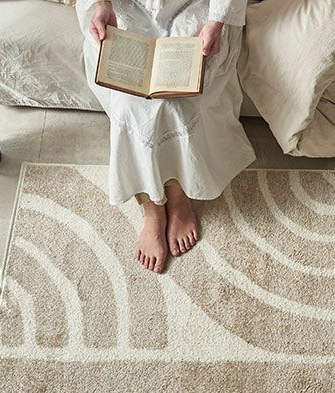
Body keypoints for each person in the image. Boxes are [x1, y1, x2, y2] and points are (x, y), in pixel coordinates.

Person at [76, 0, 255, 273]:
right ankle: (152, 206)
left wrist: (216, 23)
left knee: (178, 98)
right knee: (129, 103)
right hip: (127, 7)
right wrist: (102, 5)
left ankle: (177, 193)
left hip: (196, 9)